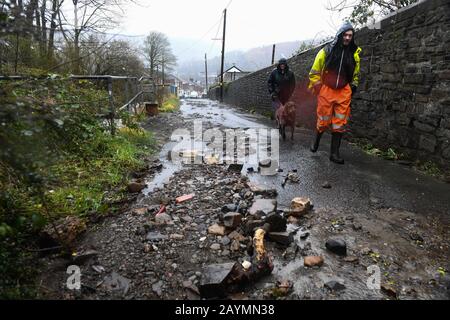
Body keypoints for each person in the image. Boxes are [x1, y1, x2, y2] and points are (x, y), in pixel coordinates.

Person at [308, 21, 362, 164]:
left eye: (350, 35)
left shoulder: (354, 54)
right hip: (326, 89)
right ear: (340, 35)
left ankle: (334, 154)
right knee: (323, 121)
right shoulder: (327, 51)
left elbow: (355, 74)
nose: (348, 38)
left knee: (340, 123)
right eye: (345, 34)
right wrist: (319, 87)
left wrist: (353, 87)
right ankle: (316, 141)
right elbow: (314, 72)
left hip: (344, 91)